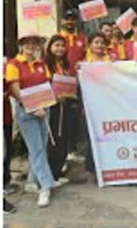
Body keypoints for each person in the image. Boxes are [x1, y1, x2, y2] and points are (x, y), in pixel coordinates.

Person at [5, 34, 56, 207]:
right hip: (27, 111)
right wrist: (33, 107)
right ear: (21, 46)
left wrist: (46, 104)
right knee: (37, 149)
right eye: (27, 44)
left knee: (41, 147)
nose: (31, 46)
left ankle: (32, 181)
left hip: (44, 108)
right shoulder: (14, 64)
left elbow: (46, 85)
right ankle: (45, 186)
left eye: (34, 44)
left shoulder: (42, 64)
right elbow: (15, 89)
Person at [44, 35, 77, 186]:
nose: (60, 49)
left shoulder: (65, 64)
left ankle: (57, 173)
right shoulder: (46, 65)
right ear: (50, 47)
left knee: (63, 139)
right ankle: (50, 175)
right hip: (52, 106)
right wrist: (54, 97)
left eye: (62, 46)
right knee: (53, 141)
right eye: (56, 45)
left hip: (66, 105)